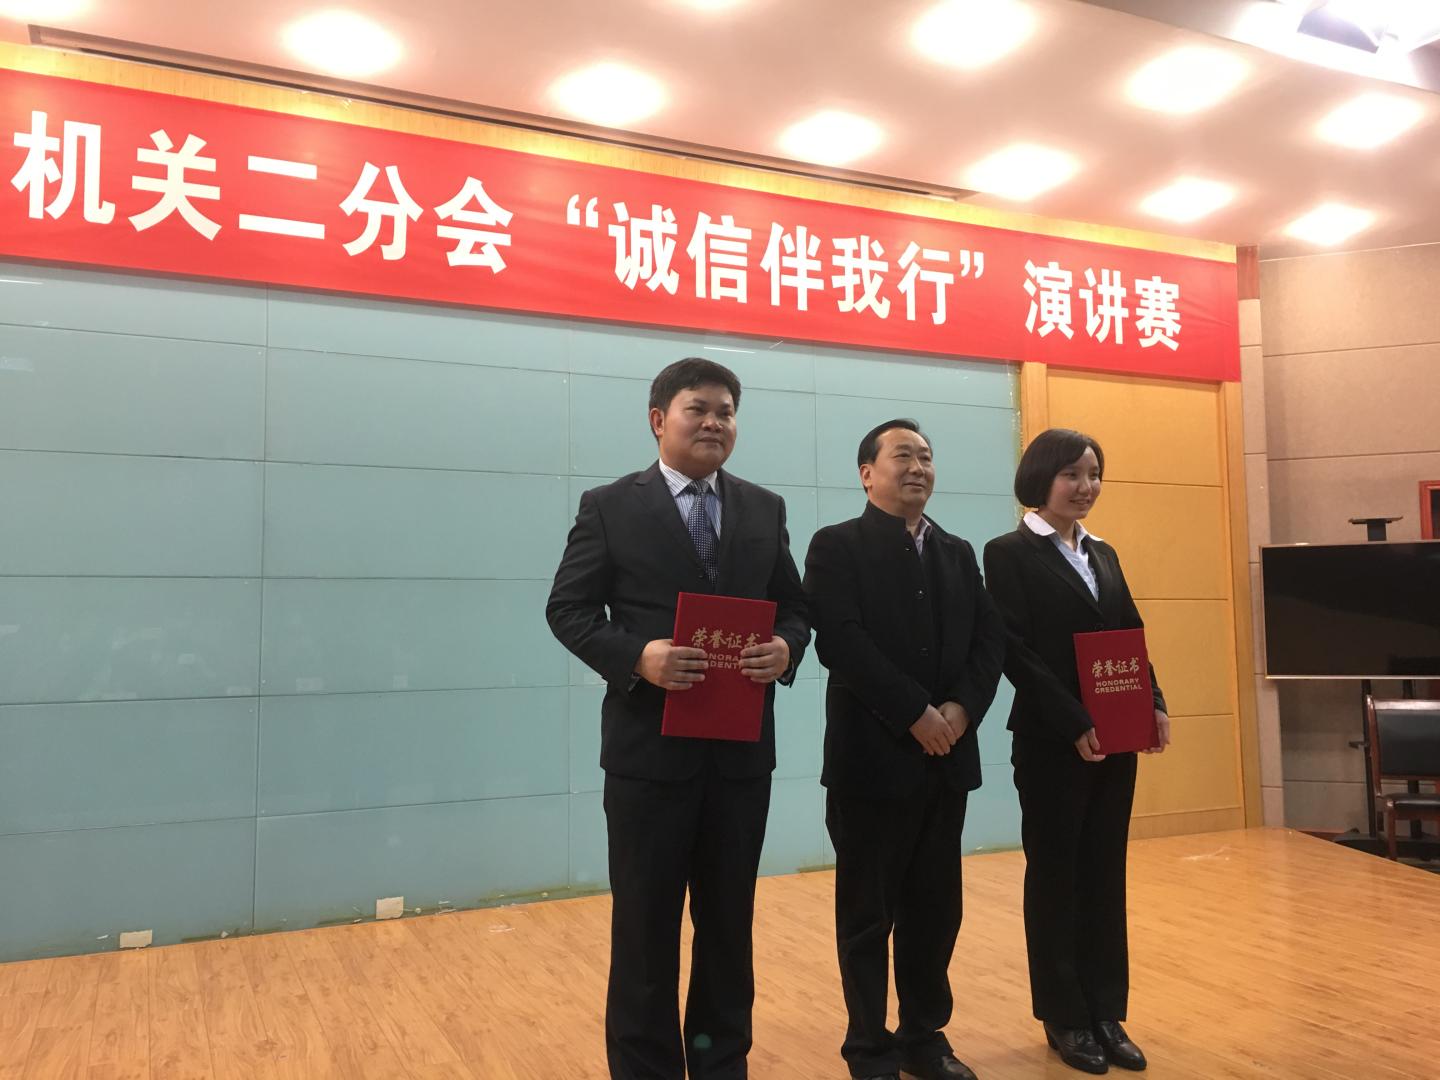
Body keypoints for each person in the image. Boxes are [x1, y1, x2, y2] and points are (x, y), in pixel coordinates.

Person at [546, 357, 811, 1080]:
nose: (715, 422)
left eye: (727, 411)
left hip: (739, 757)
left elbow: (794, 605)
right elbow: (567, 609)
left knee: (728, 927)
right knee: (645, 931)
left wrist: (786, 647)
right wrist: (638, 656)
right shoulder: (610, 505)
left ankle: (722, 1065)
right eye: (700, 409)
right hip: (648, 757)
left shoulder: (763, 507)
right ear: (659, 419)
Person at [803, 419, 1006, 1080]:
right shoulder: (836, 545)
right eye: (902, 456)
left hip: (946, 761)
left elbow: (989, 642)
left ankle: (924, 1036)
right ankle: (868, 1045)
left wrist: (960, 709)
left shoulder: (957, 551)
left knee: (935, 911)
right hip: (870, 764)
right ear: (867, 473)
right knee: (868, 915)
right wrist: (914, 712)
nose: (918, 466)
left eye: (926, 456)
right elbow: (840, 640)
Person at [981, 428, 1171, 1075]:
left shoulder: (1104, 553)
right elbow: (1014, 651)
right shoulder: (1007, 553)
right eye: (1072, 474)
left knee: (1105, 874)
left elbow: (1129, 633)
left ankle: (1106, 1011)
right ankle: (1064, 1016)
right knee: (1056, 877)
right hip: (1051, 742)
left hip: (1117, 737)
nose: (1086, 487)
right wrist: (1073, 721)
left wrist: (1153, 702)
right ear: (1041, 478)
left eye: (1093, 474)